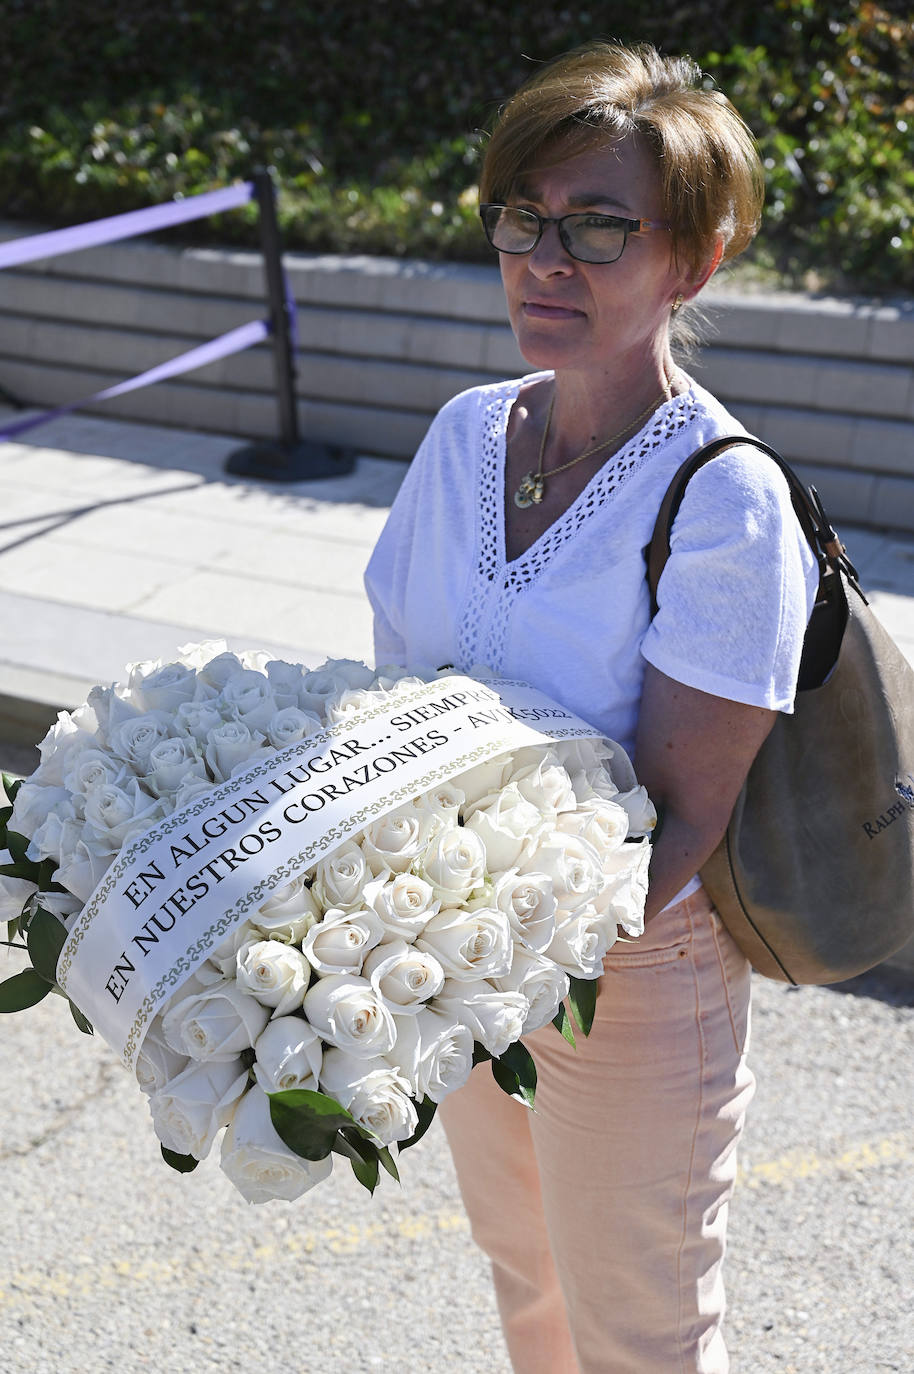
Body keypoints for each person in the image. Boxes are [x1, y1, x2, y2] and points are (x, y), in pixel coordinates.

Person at [364, 41, 818, 1374]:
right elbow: (384, 705)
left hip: (626, 983)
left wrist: (511, 945)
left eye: (599, 226)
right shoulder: (461, 438)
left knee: (638, 1328)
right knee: (528, 1284)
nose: (543, 260)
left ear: (697, 256)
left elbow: (677, 825)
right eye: (522, 218)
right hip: (454, 946)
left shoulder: (725, 500)